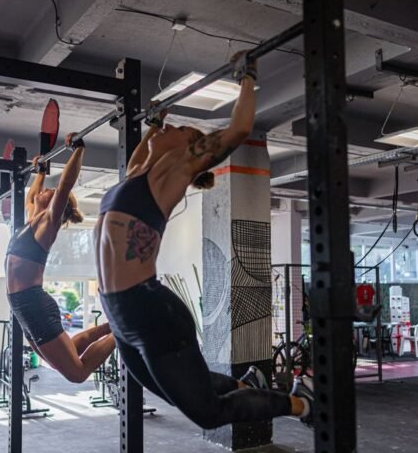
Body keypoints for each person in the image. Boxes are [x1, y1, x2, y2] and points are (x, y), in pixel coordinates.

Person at [94, 51, 314, 429]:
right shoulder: (135, 173)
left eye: (178, 129)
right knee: (176, 392)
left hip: (150, 312)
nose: (169, 130)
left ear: (189, 146)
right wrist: (154, 124)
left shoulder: (176, 169)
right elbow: (141, 151)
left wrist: (246, 77)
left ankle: (301, 404)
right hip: (122, 315)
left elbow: (238, 129)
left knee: (207, 414)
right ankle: (246, 385)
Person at [6, 132, 115, 383]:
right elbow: (33, 194)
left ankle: (122, 332)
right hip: (24, 305)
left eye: (51, 191)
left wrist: (77, 150)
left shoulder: (47, 224)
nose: (46, 191)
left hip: (31, 304)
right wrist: (41, 171)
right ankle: (114, 326)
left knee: (77, 373)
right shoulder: (33, 217)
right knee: (69, 352)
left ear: (57, 203)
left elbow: (65, 185)